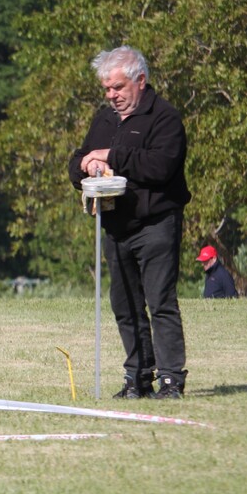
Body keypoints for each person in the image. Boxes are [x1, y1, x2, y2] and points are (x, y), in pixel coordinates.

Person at [68, 45, 191, 400]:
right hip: (113, 224)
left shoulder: (165, 118)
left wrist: (111, 156)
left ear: (140, 81)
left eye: (117, 88)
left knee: (160, 302)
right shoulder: (104, 119)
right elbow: (79, 159)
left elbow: (160, 167)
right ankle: (137, 377)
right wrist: (86, 167)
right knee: (125, 306)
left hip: (156, 224)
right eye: (107, 89)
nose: (111, 95)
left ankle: (171, 380)